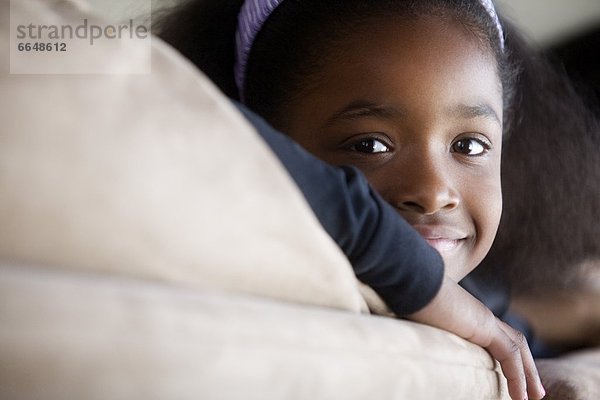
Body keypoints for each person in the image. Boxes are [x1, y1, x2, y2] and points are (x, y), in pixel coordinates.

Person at [156, 1, 546, 398]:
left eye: (469, 144)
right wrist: (413, 273)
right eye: (370, 144)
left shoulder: (484, 305)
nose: (433, 192)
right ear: (267, 134)